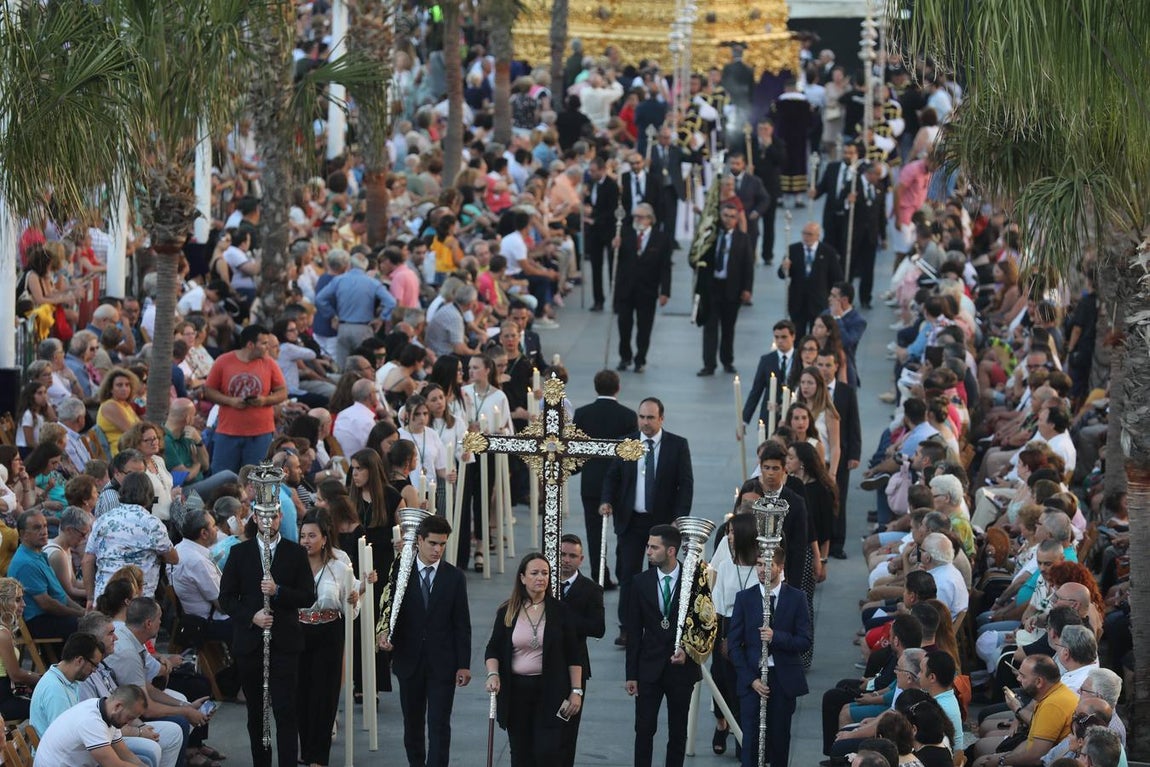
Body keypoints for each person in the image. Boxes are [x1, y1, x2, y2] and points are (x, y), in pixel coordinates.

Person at [219, 501, 315, 767]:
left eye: (273, 516)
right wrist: (252, 617)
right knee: (256, 714)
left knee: (286, 710)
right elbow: (226, 598)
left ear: (280, 517)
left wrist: (279, 591)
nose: (268, 522)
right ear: (253, 518)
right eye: (262, 516)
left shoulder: (295, 553)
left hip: (285, 643)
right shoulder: (239, 553)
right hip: (250, 644)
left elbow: (308, 596)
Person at [376, 514, 470, 766]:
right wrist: (385, 635)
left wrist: (463, 664)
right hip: (409, 661)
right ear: (419, 540)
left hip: (443, 663)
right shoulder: (401, 572)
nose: (437, 550)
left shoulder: (454, 577)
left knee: (439, 724)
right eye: (432, 543)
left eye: (442, 544)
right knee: (413, 725)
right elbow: (388, 608)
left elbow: (462, 624)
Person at [600, 398, 693, 644]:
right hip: (631, 522)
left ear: (661, 418)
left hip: (661, 523)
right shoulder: (627, 443)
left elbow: (685, 485)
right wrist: (606, 500)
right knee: (628, 575)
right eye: (642, 417)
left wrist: (678, 519)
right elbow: (613, 477)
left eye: (650, 418)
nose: (645, 422)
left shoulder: (677, 445)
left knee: (659, 575)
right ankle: (627, 627)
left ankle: (657, 625)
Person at [484, 552, 583, 767]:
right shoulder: (507, 611)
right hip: (517, 691)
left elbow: (574, 654)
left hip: (551, 690)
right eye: (535, 573)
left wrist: (576, 691)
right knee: (520, 753)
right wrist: (493, 674)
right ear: (522, 577)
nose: (541, 578)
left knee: (548, 752)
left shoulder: (560, 611)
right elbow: (493, 649)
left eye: (545, 573)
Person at [729, 545, 812, 767]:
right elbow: (734, 646)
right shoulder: (744, 598)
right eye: (758, 565)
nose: (762, 570)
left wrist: (777, 637)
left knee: (779, 739)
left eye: (768, 565)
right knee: (750, 741)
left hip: (783, 680)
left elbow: (804, 642)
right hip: (752, 680)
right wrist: (751, 680)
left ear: (780, 567)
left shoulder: (796, 598)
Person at [623, 524, 699, 767]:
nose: (647, 551)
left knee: (678, 732)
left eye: (654, 547)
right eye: (647, 546)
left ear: (671, 551)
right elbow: (634, 632)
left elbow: (703, 623)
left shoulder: (694, 579)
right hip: (648, 669)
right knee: (643, 730)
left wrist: (687, 651)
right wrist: (631, 674)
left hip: (681, 669)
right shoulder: (640, 582)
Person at [297, 512, 364, 767]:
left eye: (312, 536)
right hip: (299, 630)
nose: (306, 541)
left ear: (325, 538)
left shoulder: (339, 562)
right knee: (300, 693)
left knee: (324, 696)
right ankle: (305, 747)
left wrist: (355, 598)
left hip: (328, 631)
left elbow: (352, 593)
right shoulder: (293, 560)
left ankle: (319, 758)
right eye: (303, 536)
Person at [571, 370, 637, 586]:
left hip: (591, 482)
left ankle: (601, 576)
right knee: (622, 528)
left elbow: (575, 447)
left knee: (593, 531)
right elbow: (632, 454)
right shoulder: (628, 416)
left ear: (595, 387)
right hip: (621, 483)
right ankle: (622, 571)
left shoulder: (582, 413)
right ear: (618, 388)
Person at [204, 324, 288, 475]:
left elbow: (282, 392)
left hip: (260, 433)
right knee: (222, 477)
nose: (267, 348)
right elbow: (209, 390)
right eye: (263, 343)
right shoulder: (223, 361)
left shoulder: (269, 364)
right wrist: (230, 401)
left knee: (257, 478)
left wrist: (264, 400)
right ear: (250, 345)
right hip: (228, 432)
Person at [83, 472, 177, 604]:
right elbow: (173, 558)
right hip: (138, 602)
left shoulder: (102, 520)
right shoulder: (152, 523)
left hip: (104, 598)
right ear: (149, 495)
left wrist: (90, 598)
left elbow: (87, 561)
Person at [556, 534, 605, 767]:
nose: (566, 560)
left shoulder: (591, 589)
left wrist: (564, 619)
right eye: (562, 554)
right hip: (544, 663)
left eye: (572, 556)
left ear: (581, 559)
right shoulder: (544, 582)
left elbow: (598, 628)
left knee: (568, 728)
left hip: (575, 666)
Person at [613, 203, 671, 374]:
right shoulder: (625, 233)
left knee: (644, 327)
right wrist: (615, 246)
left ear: (650, 219)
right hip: (626, 288)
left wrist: (665, 291)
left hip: (648, 289)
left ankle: (640, 359)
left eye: (640, 217)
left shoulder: (661, 238)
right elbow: (616, 260)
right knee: (624, 324)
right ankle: (625, 357)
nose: (636, 220)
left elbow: (665, 267)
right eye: (635, 216)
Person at [697, 203, 754, 376]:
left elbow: (748, 266)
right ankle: (709, 364)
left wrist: (747, 288)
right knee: (710, 327)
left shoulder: (743, 239)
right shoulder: (711, 237)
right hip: (712, 288)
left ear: (737, 220)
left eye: (732, 216)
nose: (728, 219)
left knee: (728, 328)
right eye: (725, 215)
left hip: (732, 289)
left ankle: (727, 360)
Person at [10, 510, 85, 640]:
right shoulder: (26, 563)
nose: (44, 531)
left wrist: (82, 611)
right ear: (23, 534)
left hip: (50, 616)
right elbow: (47, 604)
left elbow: (61, 594)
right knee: (88, 627)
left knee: (92, 621)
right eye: (37, 528)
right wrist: (79, 614)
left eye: (45, 526)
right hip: (37, 621)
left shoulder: (39, 554)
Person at [314, 249, 397, 367]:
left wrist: (332, 315)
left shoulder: (339, 280)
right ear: (366, 267)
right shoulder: (372, 283)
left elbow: (319, 299)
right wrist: (381, 318)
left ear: (350, 265)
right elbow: (391, 302)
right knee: (364, 366)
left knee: (343, 367)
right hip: (363, 328)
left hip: (343, 327)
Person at [816, 348, 861, 559]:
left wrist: (855, 453)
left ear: (836, 367)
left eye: (828, 365)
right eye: (820, 365)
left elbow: (853, 424)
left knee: (838, 498)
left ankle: (837, 542)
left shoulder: (846, 391)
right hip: (818, 455)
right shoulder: (812, 391)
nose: (824, 369)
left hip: (840, 454)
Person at [34, 683, 149, 766]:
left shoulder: (109, 714)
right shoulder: (91, 721)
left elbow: (125, 754)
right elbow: (114, 764)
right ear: (118, 706)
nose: (130, 723)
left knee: (145, 760)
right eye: (130, 718)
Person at [169, 508, 232, 645]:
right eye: (214, 526)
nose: (217, 530)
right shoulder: (198, 561)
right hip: (208, 623)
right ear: (204, 533)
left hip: (194, 618)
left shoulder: (178, 549)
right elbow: (223, 605)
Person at [29, 630, 104, 738]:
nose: (94, 671)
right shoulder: (55, 689)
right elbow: (64, 737)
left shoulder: (68, 681)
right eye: (93, 665)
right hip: (56, 753)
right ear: (79, 660)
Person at [781, 222, 843, 336]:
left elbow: (837, 277)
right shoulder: (793, 250)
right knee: (797, 334)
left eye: (809, 234)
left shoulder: (828, 252)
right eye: (804, 233)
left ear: (817, 236)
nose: (806, 237)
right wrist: (784, 268)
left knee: (817, 335)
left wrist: (834, 298)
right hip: (797, 302)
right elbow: (782, 274)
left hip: (819, 302)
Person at [741, 320, 798, 430]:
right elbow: (756, 390)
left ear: (793, 336)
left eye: (784, 337)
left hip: (793, 416)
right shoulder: (767, 360)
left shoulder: (800, 358)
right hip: (770, 415)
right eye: (777, 337)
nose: (780, 341)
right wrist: (744, 420)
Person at [582, 156, 621, 311]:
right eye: (590, 171)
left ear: (602, 170)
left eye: (594, 171)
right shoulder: (590, 184)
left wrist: (595, 218)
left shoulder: (612, 186)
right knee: (595, 266)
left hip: (608, 229)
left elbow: (612, 210)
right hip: (594, 232)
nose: (591, 174)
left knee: (613, 266)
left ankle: (616, 299)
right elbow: (590, 203)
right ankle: (598, 300)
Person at [0, 577, 41, 720]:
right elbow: (15, 674)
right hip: (3, 699)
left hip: (7, 691)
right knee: (45, 707)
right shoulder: (2, 634)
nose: (24, 604)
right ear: (2, 603)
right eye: (17, 600)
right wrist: (45, 678)